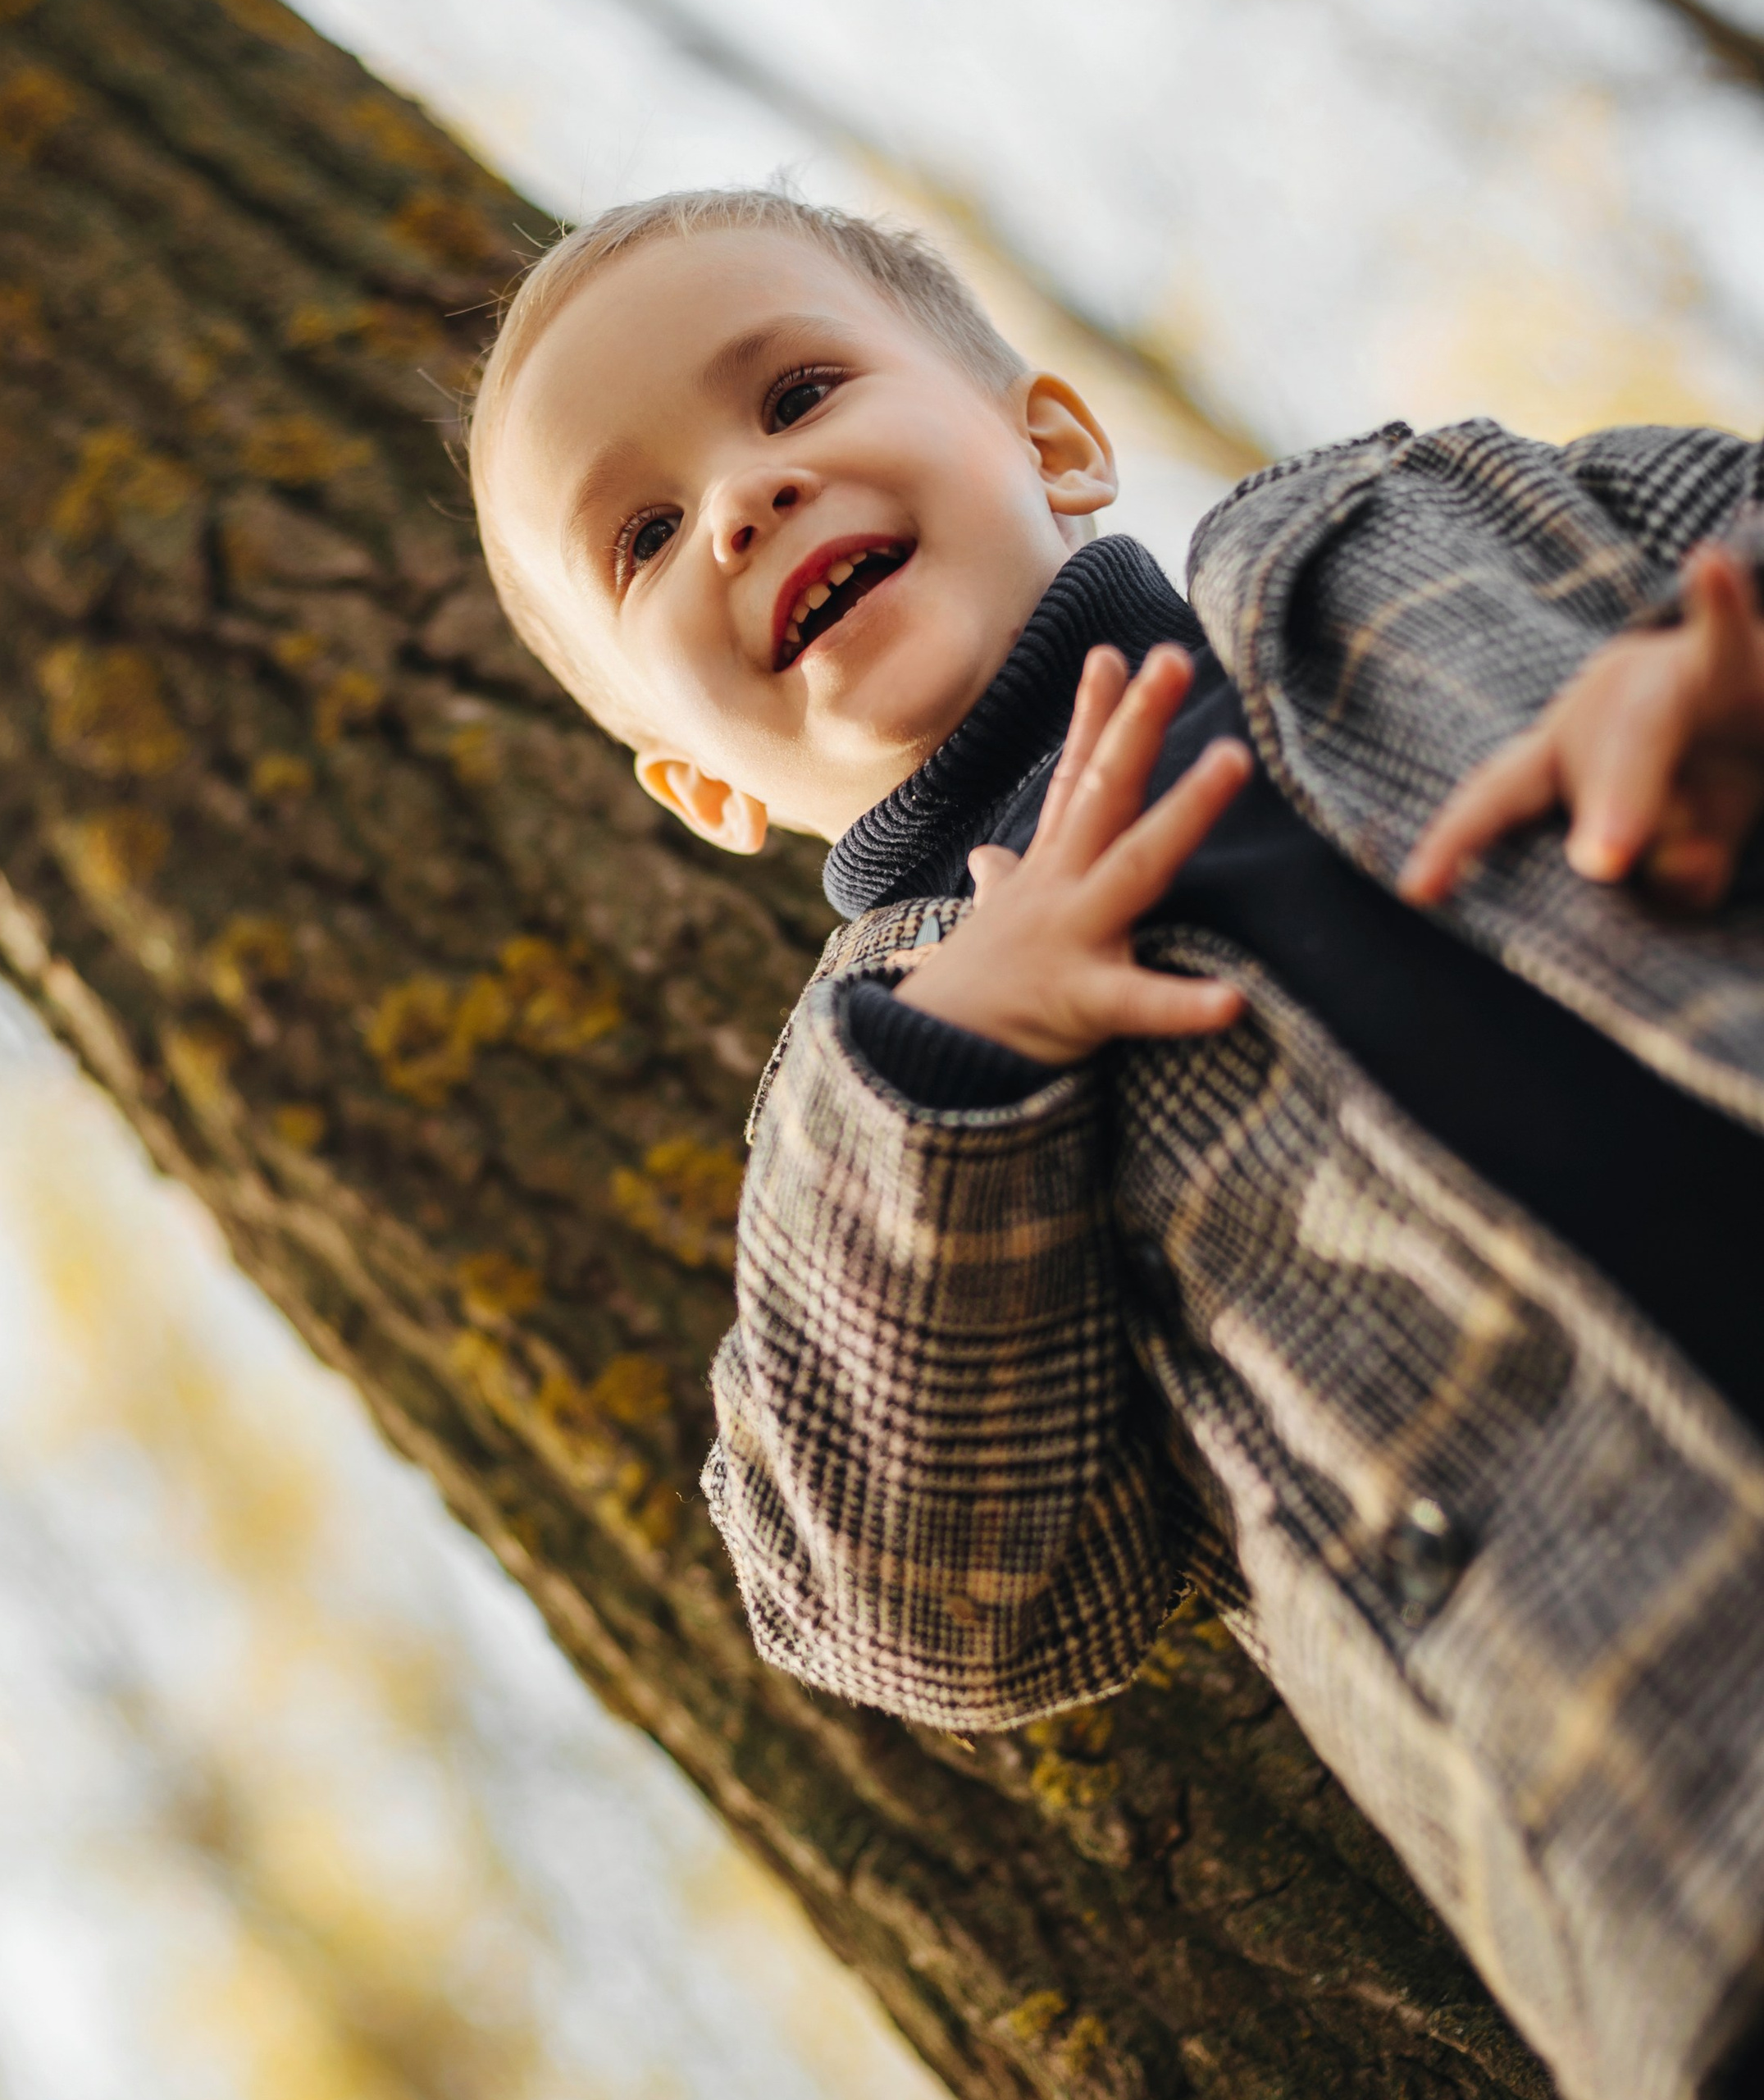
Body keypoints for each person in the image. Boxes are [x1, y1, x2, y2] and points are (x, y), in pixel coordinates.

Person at [463, 185, 1764, 2100]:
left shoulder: (1424, 527)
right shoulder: (871, 1108)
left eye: (797, 394)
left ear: (1052, 439)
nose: (741, 497)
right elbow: (908, 1599)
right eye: (643, 535)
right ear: (694, 788)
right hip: (1689, 1811)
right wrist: (952, 1070)